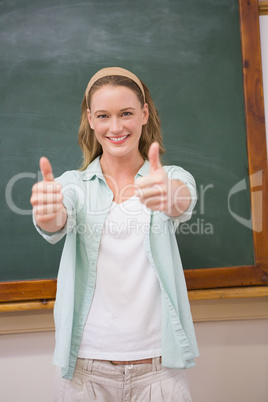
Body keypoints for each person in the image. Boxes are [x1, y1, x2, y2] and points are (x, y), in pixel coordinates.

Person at [30, 67, 199, 402]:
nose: (116, 127)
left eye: (126, 114)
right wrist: (49, 215)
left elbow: (182, 198)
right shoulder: (71, 186)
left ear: (144, 114)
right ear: (90, 119)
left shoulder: (166, 177)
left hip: (159, 370)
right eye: (104, 116)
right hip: (85, 373)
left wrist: (169, 195)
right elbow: (56, 219)